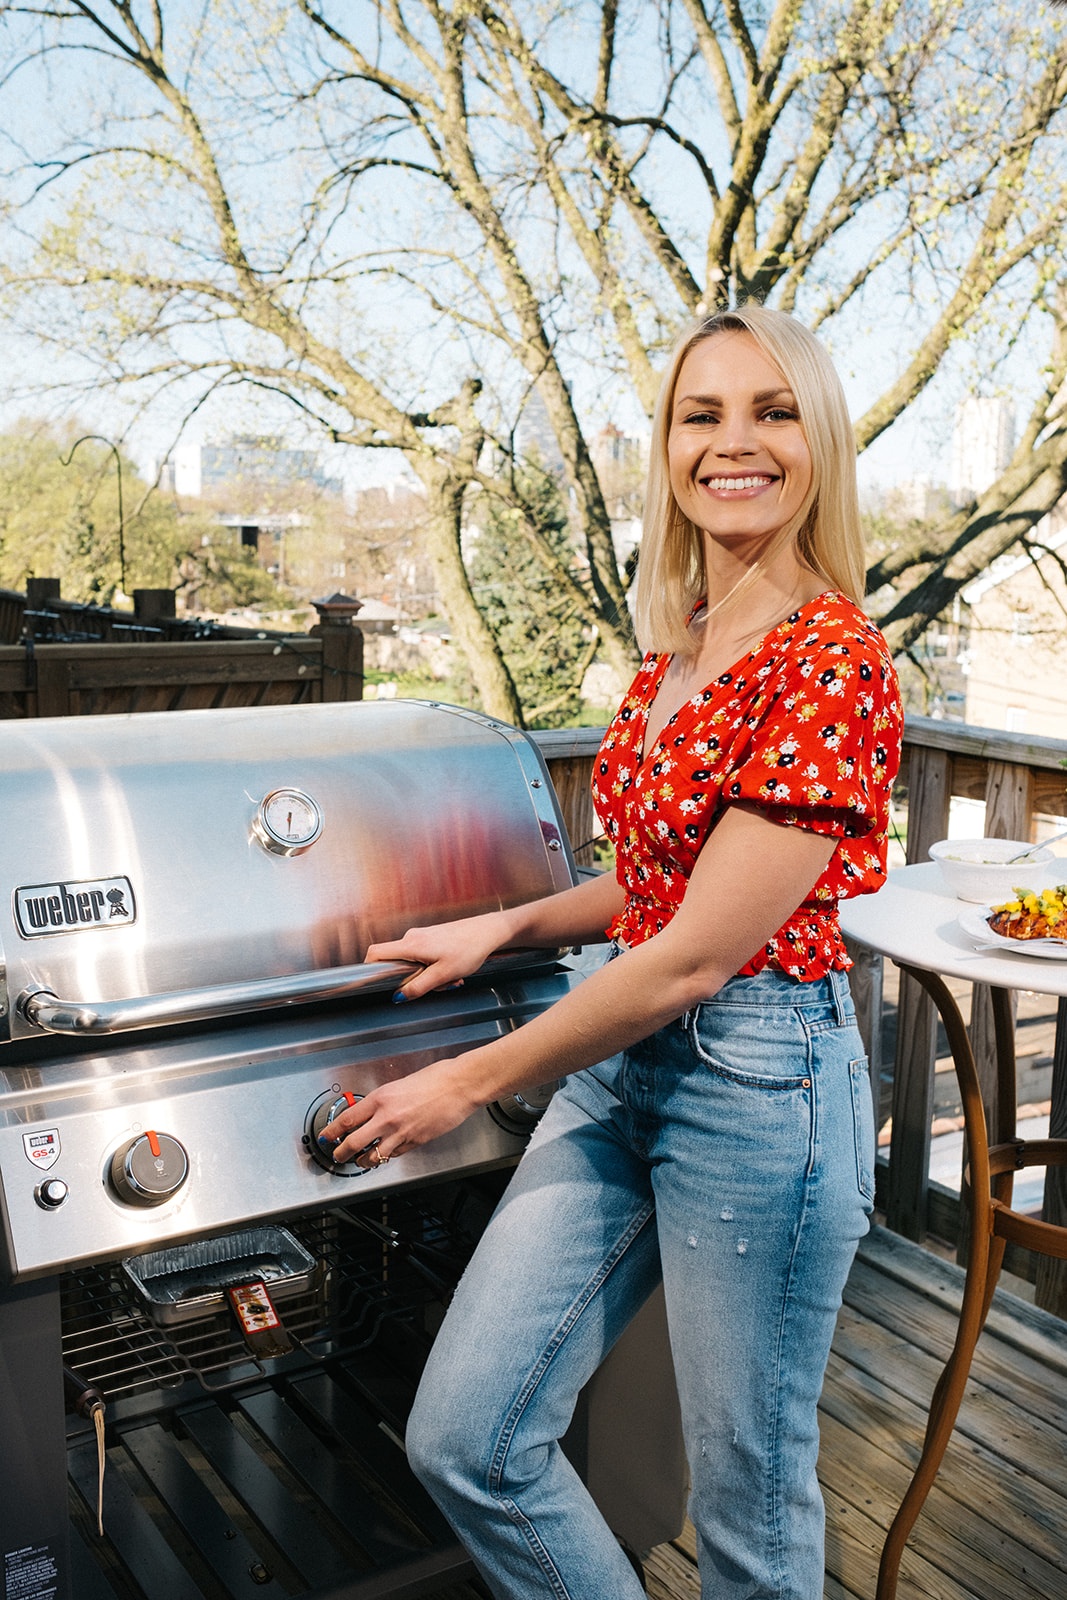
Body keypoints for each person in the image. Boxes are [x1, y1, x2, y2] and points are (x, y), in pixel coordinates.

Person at [321, 302, 903, 1600]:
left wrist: (466, 1082)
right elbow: (653, 889)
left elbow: (699, 955)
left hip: (761, 1092)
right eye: (702, 415)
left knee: (751, 1517)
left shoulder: (833, 662)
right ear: (669, 447)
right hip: (628, 1064)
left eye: (772, 411)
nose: (732, 442)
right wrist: (512, 922)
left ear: (820, 445)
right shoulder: (681, 649)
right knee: (469, 1437)